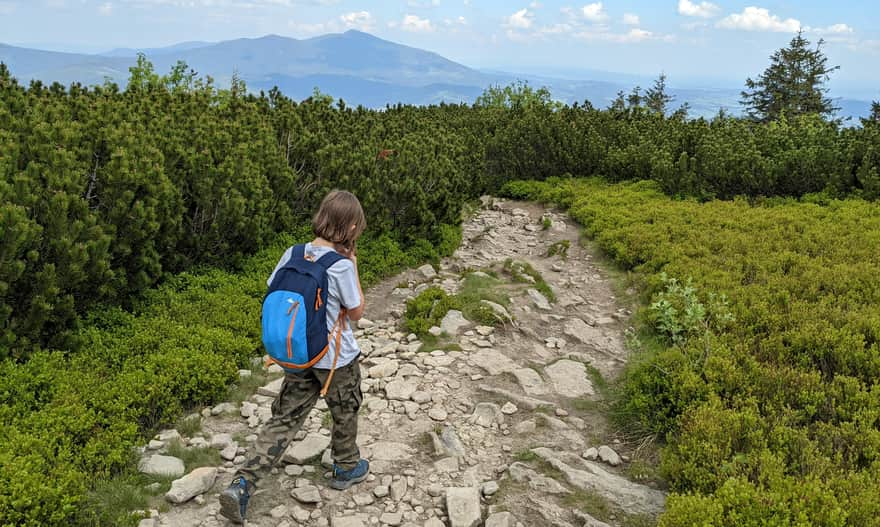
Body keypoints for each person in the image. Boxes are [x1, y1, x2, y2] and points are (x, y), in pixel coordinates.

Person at [219, 190, 369, 523]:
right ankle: (346, 467)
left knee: (284, 418)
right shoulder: (341, 265)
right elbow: (356, 312)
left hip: (299, 354)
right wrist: (353, 264)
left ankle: (243, 483)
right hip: (334, 360)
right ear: (353, 226)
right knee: (345, 410)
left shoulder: (294, 252)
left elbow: (274, 286)